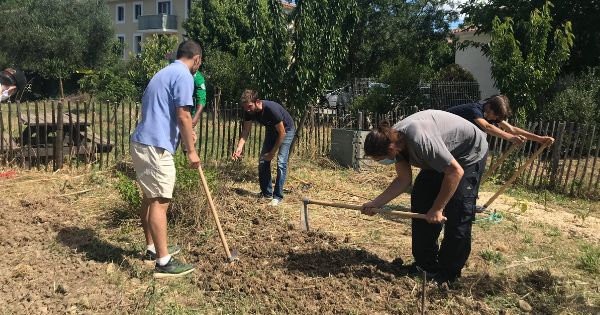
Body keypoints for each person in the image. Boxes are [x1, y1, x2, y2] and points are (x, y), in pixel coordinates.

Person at [361, 110, 488, 285]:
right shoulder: (395, 141)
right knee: (421, 199)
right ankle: (426, 265)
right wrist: (376, 204)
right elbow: (403, 180)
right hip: (441, 155)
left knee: (458, 210)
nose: (382, 162)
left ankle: (448, 274)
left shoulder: (420, 140)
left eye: (382, 159)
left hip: (467, 153)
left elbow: (455, 172)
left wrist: (437, 208)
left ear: (392, 149)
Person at [130, 40, 202, 278]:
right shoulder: (184, 76)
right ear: (197, 59)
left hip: (143, 141)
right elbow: (183, 115)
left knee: (150, 198)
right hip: (155, 146)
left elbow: (170, 113)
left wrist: (185, 132)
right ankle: (164, 262)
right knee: (160, 201)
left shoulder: (165, 72)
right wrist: (191, 151)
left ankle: (152, 248)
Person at [232, 90, 295, 206]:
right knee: (262, 160)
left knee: (281, 162)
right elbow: (245, 131)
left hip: (286, 130)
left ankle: (278, 197)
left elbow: (282, 133)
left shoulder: (271, 109)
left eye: (250, 106)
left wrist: (272, 153)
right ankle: (266, 193)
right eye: (245, 107)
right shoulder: (249, 111)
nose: (248, 110)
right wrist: (239, 147)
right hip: (272, 130)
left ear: (257, 102)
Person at [446, 95, 554, 145]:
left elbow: (512, 129)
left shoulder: (491, 115)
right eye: (496, 116)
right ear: (489, 107)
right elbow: (487, 127)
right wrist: (510, 138)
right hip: (441, 129)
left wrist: (540, 139)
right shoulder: (475, 110)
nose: (495, 120)